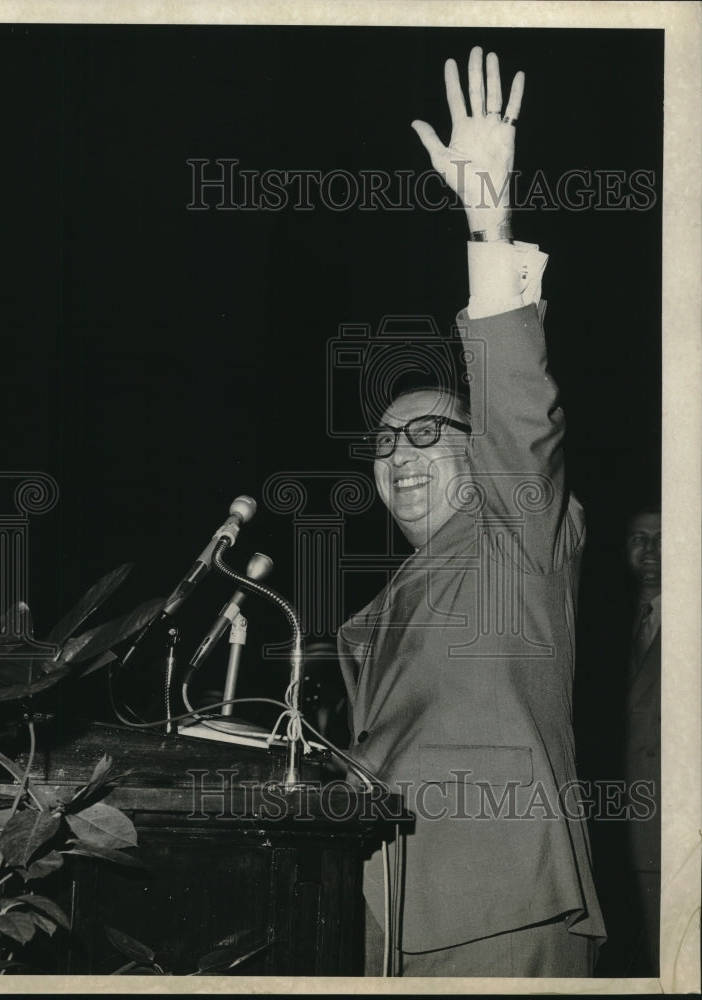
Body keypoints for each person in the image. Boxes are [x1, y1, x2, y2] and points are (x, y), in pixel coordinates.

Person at [337, 46, 606, 976]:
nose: (398, 458)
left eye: (426, 436)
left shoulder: (519, 542)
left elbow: (519, 418)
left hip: (500, 903)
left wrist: (486, 223)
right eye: (383, 446)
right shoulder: (390, 602)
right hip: (392, 909)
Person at [623, 505, 661, 975]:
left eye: (661, 537)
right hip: (613, 828)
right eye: (638, 537)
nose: (650, 549)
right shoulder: (598, 626)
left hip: (670, 835)